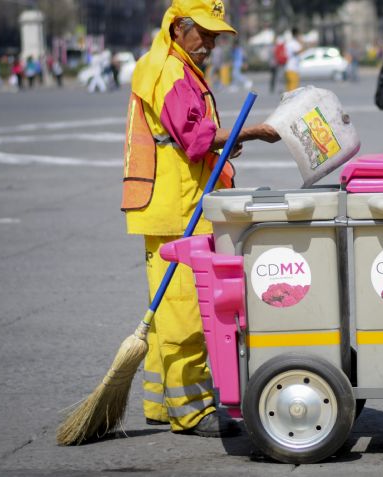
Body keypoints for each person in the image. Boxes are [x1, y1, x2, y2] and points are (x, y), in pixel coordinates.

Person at [123, 0, 279, 438]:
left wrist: (224, 145)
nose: (210, 43)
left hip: (176, 202)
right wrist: (251, 131)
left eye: (214, 35)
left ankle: (160, 404)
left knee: (173, 308)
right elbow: (194, 141)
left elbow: (192, 139)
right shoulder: (169, 71)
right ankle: (191, 412)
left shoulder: (176, 66)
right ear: (178, 28)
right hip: (173, 207)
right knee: (184, 314)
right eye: (204, 33)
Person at [283, 27, 303, 92]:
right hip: (293, 68)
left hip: (288, 68)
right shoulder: (294, 43)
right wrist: (302, 43)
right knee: (293, 90)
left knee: (289, 88)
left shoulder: (289, 43)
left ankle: (286, 101)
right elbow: (297, 51)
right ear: (297, 34)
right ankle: (289, 101)